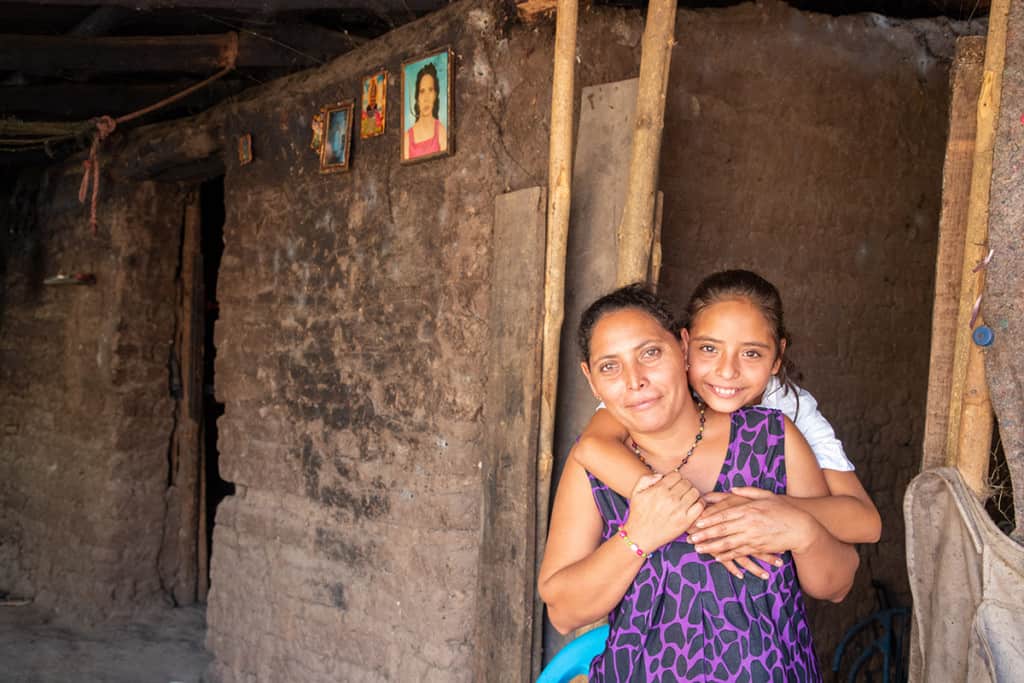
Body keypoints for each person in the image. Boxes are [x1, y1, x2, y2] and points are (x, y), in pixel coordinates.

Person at [538, 284, 859, 681]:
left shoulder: (771, 438)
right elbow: (564, 612)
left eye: (650, 353)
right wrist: (638, 536)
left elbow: (838, 586)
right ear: (591, 379)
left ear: (683, 347)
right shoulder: (594, 468)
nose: (634, 379)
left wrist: (801, 528)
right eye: (610, 366)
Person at [572, 270, 881, 579]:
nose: (727, 371)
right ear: (684, 345)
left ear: (777, 357)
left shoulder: (787, 406)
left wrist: (772, 512)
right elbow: (592, 446)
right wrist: (695, 515)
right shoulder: (652, 395)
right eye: (709, 349)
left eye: (751, 353)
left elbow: (866, 523)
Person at [403, 63, 448, 160]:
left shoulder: (441, 132)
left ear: (435, 95)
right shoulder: (406, 138)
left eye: (430, 90)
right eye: (422, 91)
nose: (426, 98)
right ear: (417, 97)